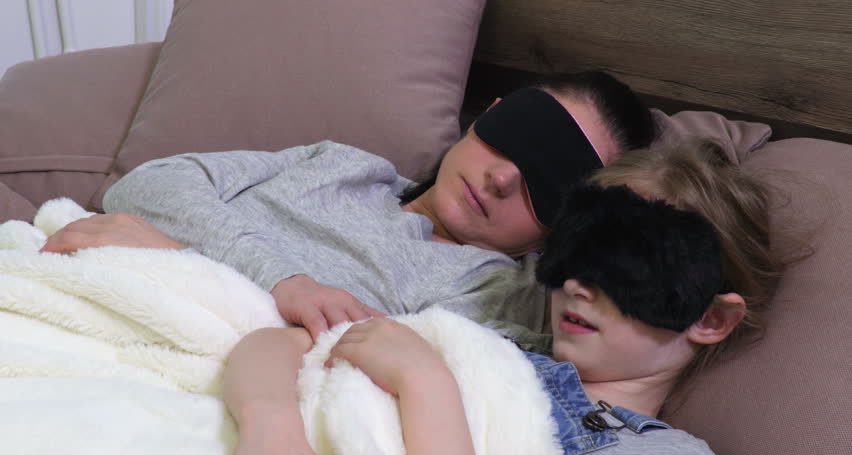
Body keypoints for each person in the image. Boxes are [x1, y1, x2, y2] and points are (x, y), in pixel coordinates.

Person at [222, 139, 792, 455]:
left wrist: (428, 387)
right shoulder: (480, 332)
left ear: (710, 318)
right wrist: (272, 435)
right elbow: (283, 341)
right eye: (578, 247)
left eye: (632, 264)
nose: (581, 285)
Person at [41, 71, 655, 351]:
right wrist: (284, 281)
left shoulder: (498, 294)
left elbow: (375, 371)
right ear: (492, 109)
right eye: (519, 132)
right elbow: (148, 187)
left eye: (545, 184)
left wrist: (184, 262)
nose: (499, 177)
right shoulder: (342, 163)